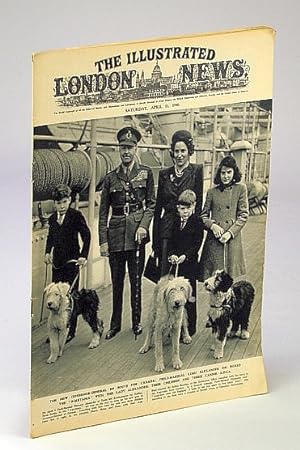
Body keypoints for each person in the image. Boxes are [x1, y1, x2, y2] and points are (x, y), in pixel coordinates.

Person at [99, 126, 156, 340]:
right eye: (123, 147)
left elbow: (151, 204)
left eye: (130, 147)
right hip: (115, 236)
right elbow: (103, 212)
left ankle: (136, 321)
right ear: (118, 148)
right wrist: (103, 242)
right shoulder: (110, 178)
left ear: (136, 148)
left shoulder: (146, 173)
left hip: (136, 236)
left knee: (135, 280)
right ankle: (115, 324)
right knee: (116, 281)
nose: (126, 151)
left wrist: (143, 226)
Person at [153, 129, 204, 277]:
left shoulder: (197, 171)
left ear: (189, 151)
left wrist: (195, 237)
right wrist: (157, 242)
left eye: (183, 150)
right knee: (166, 279)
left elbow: (198, 207)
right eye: (176, 151)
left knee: (186, 280)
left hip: (187, 232)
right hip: (167, 233)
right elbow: (158, 210)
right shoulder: (164, 174)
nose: (179, 155)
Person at [198, 155, 249, 281]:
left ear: (234, 173)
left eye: (229, 172)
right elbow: (203, 215)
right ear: (219, 173)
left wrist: (230, 233)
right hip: (214, 240)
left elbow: (243, 215)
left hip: (231, 239)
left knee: (229, 279)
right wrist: (212, 225)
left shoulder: (240, 189)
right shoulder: (211, 192)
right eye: (223, 173)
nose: (226, 176)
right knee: (213, 280)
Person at [168, 190, 204, 337]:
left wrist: (185, 256)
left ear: (193, 206)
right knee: (176, 296)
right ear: (178, 208)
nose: (184, 212)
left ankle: (190, 327)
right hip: (177, 264)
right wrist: (172, 255)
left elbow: (196, 244)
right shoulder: (175, 222)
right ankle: (176, 325)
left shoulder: (197, 221)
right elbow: (171, 241)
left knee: (189, 295)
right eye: (181, 209)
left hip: (189, 264)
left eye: (187, 208)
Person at [44, 184, 91, 290]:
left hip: (72, 262)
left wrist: (83, 255)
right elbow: (50, 237)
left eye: (64, 202)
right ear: (54, 203)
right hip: (57, 263)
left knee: (71, 294)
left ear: (69, 200)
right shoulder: (52, 219)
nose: (62, 206)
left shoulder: (76, 216)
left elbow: (87, 236)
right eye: (58, 203)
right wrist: (47, 252)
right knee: (57, 293)